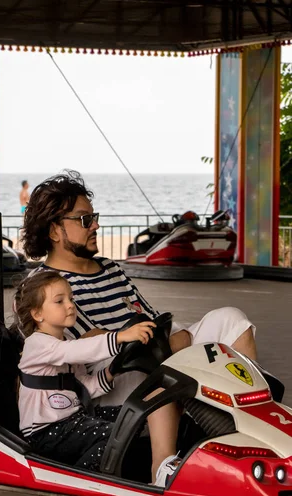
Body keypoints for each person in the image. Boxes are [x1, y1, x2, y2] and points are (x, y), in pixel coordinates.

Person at [21, 171, 257, 402]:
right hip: (111, 375)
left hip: (151, 348)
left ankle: (254, 408)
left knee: (231, 319)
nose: (95, 226)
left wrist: (174, 337)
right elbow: (93, 342)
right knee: (151, 359)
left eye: (94, 217)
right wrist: (174, 340)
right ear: (54, 231)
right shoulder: (43, 286)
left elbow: (152, 320)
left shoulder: (111, 268)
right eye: (85, 220)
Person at [15, 270, 180, 485]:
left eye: (71, 299)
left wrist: (115, 369)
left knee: (137, 413)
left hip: (74, 420)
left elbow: (87, 387)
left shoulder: (64, 341)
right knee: (113, 435)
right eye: (60, 301)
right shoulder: (37, 344)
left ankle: (159, 471)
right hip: (45, 433)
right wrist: (120, 337)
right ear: (38, 314)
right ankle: (81, 483)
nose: (70, 305)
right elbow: (77, 350)